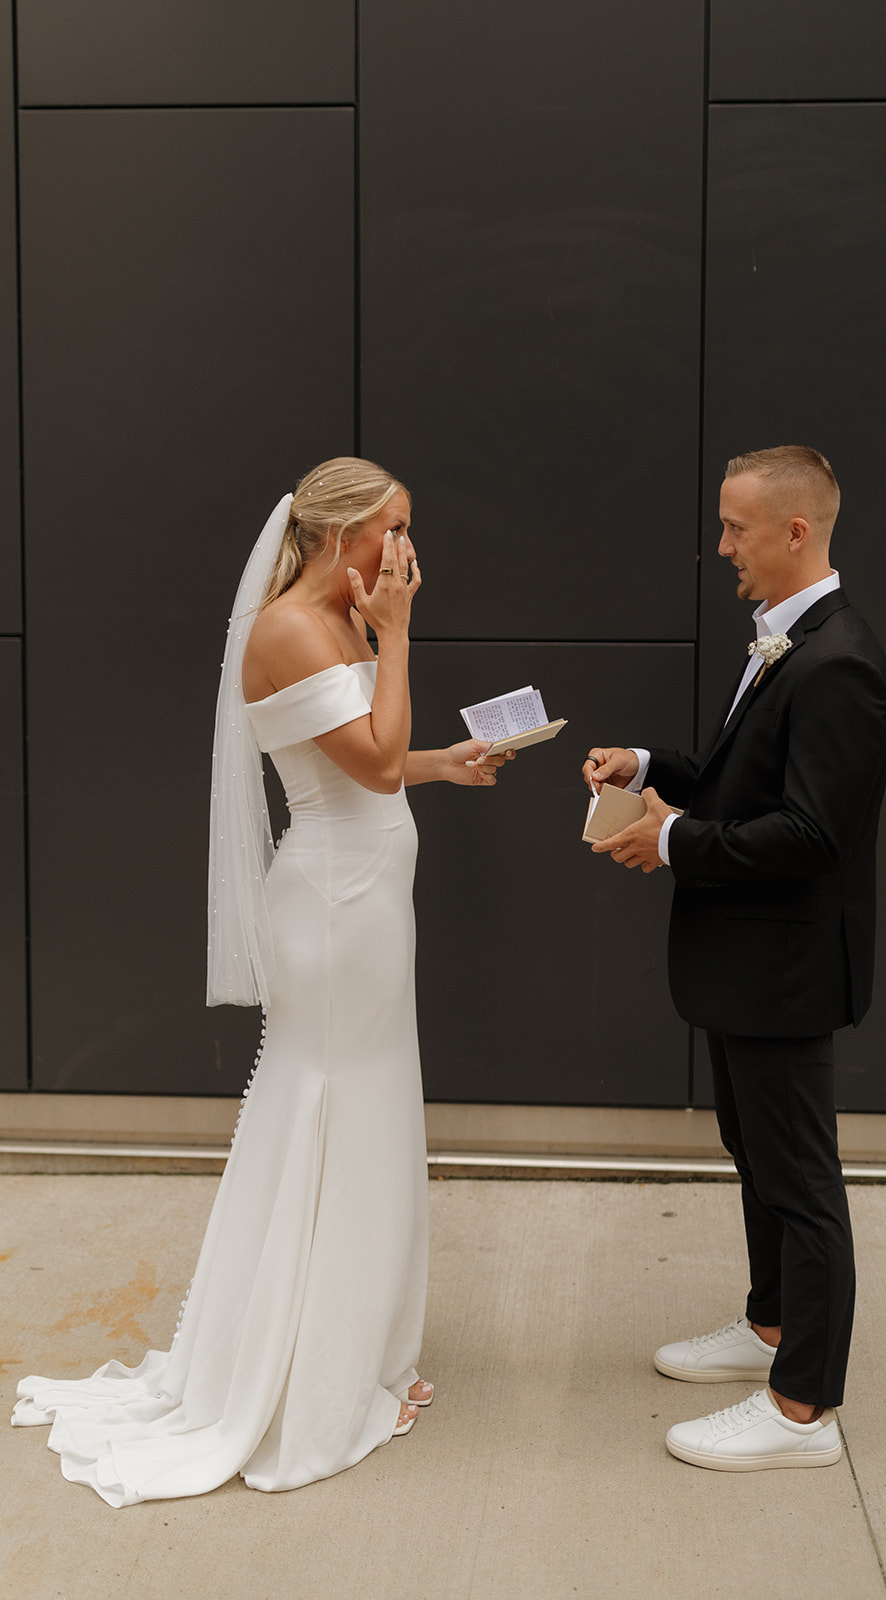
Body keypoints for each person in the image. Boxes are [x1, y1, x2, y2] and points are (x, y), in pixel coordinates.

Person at [13, 457, 513, 1504]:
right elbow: (368, 766)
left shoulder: (332, 621)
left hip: (364, 901)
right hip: (334, 909)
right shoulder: (290, 627)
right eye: (394, 528)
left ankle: (353, 1353)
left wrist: (447, 762)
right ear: (339, 535)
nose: (406, 550)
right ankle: (303, 1376)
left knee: (366, 1114)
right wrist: (401, 637)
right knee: (327, 1109)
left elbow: (367, 755)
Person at [583, 446, 886, 1472]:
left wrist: (669, 840)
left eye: (734, 527)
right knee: (754, 1153)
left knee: (799, 1178)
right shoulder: (784, 644)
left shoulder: (838, 661)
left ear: (794, 531)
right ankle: (767, 1324)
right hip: (744, 962)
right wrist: (650, 767)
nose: (720, 546)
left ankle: (801, 1408)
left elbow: (809, 835)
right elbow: (739, 782)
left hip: (786, 968)